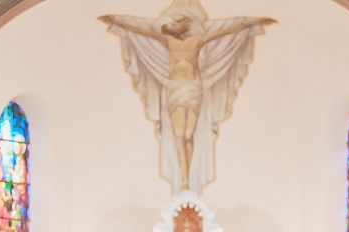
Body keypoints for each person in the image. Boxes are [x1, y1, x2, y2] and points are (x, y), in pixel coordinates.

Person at [99, 0, 276, 192]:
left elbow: (228, 28)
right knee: (178, 134)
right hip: (175, 88)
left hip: (193, 87)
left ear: (187, 24)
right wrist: (115, 21)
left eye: (178, 22)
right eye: (174, 23)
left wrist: (254, 23)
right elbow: (140, 29)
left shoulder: (197, 40)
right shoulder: (167, 40)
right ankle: (183, 177)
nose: (173, 25)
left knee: (188, 134)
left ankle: (189, 172)